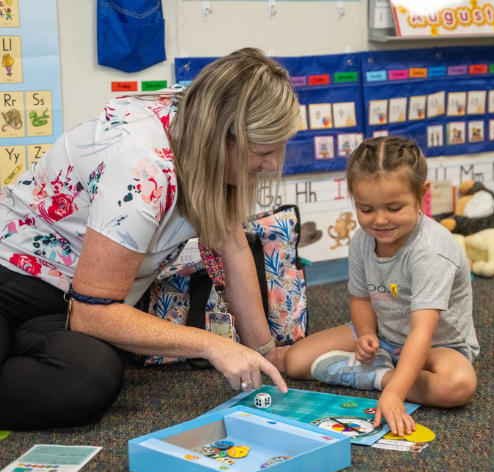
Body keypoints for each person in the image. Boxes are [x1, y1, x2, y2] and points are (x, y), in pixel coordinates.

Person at [0, 48, 301, 431]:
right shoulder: (141, 168)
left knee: (91, 378)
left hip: (64, 308)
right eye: (263, 152)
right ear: (220, 139)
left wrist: (265, 353)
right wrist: (212, 344)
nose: (272, 165)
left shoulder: (198, 120)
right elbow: (95, 312)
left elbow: (233, 245)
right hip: (11, 281)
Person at [284, 136, 479, 438]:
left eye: (394, 207)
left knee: (458, 385)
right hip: (384, 337)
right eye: (366, 209)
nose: (380, 220)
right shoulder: (362, 241)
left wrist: (394, 392)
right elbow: (361, 299)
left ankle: (378, 377)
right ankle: (382, 368)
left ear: (421, 195)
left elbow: (422, 332)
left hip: (438, 346)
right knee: (294, 362)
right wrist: (365, 334)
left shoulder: (431, 252)